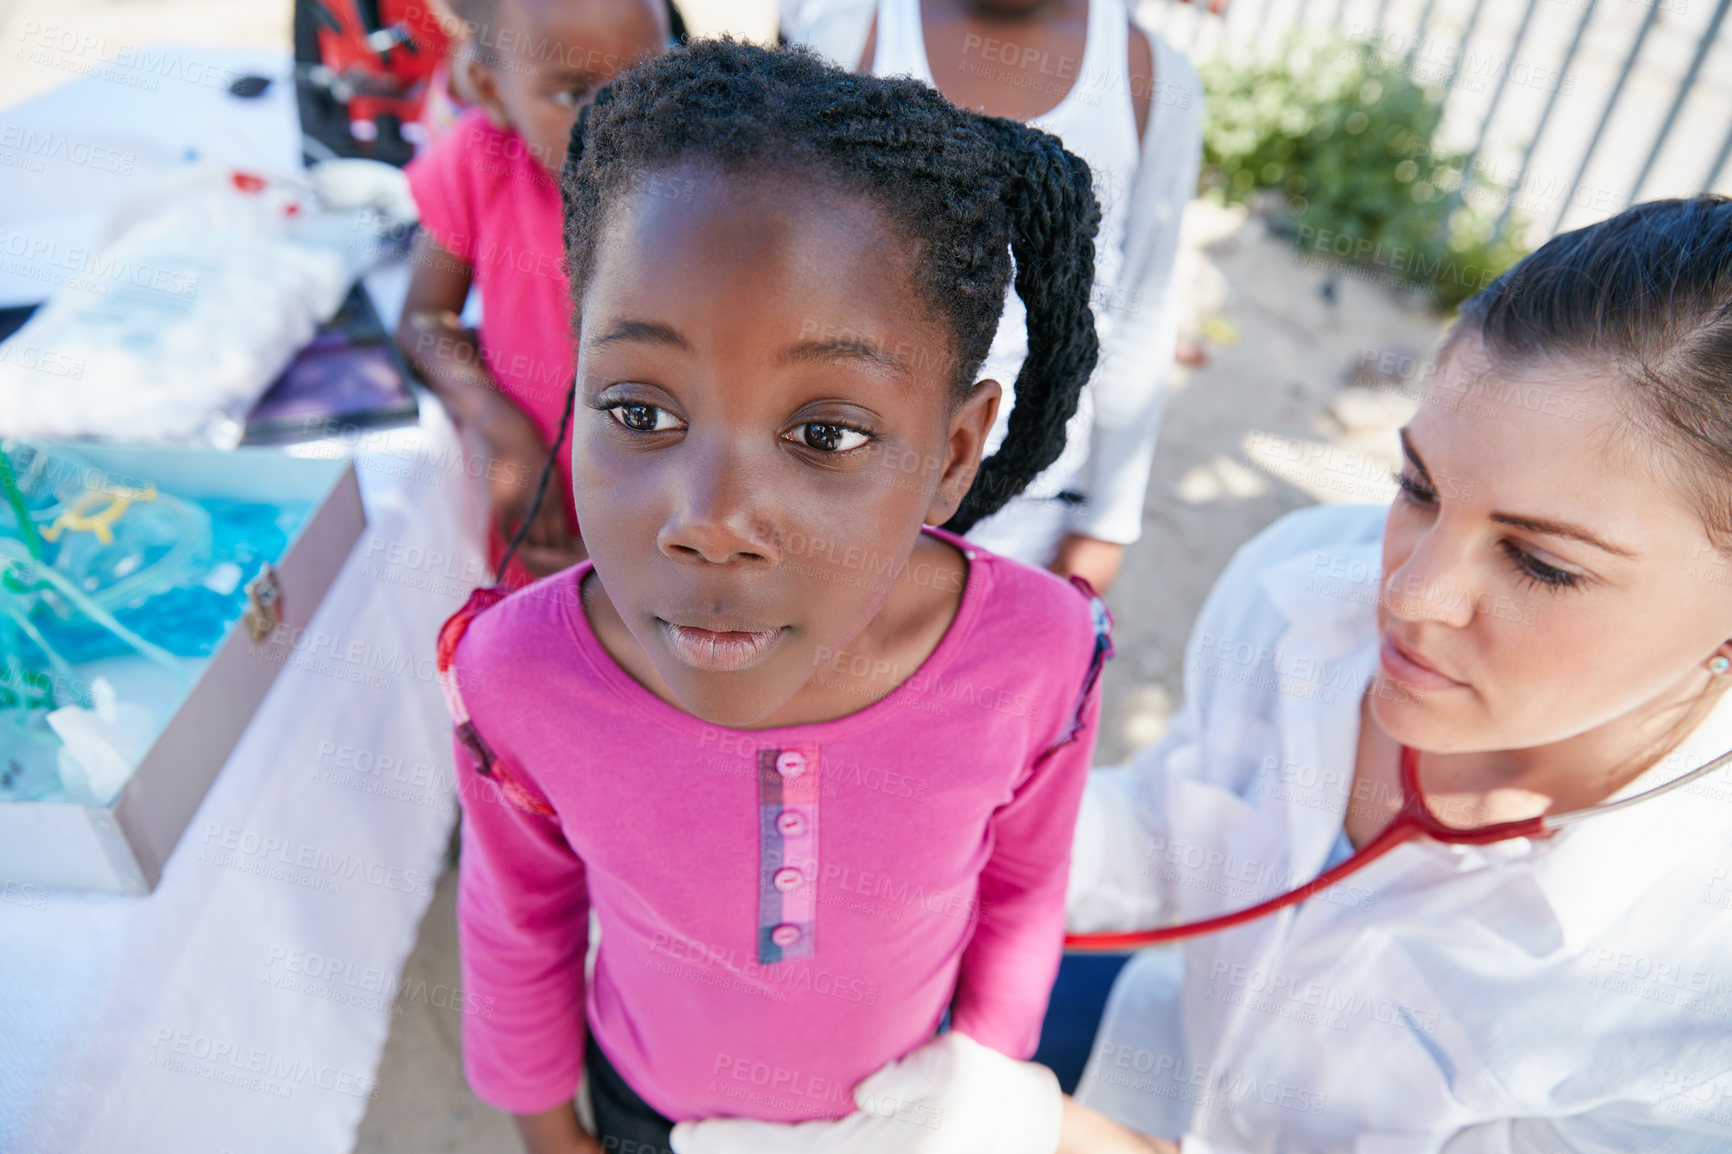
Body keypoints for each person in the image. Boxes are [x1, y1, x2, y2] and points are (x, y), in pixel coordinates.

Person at [670, 196, 1732, 1152]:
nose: (1407, 593)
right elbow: (1182, 828)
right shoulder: (1299, 589)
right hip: (1158, 1050)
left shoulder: (1693, 1002)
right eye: (1416, 485)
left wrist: (1044, 1138)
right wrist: (922, 823)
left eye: (1540, 562)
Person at [434, 38, 1117, 1154]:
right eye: (641, 409)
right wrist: (552, 1135)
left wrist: (980, 1082)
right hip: (639, 1111)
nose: (708, 516)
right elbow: (516, 922)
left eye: (825, 433)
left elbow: (1026, 885)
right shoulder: (517, 672)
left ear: (953, 452)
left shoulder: (1042, 652)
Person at [782, 0, 1204, 594]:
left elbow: (1143, 306)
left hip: (1035, 505)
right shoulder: (854, 36)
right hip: (841, 474)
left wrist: (1106, 522)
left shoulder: (1151, 77)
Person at [395, 0, 670, 585]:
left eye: (649, 80)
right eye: (572, 95)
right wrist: (502, 427)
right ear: (495, 93)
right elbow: (425, 318)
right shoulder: (482, 164)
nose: (622, 119)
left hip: (670, 545)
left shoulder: (708, 189)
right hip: (543, 524)